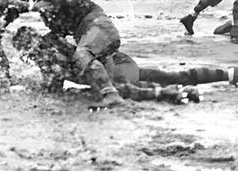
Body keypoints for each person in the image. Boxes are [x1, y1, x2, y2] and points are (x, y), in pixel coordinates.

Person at [13, 27, 238, 104]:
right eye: (25, 51)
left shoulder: (60, 46)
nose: (29, 54)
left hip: (114, 63)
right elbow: (54, 87)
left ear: (36, 41)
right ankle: (229, 74)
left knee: (124, 90)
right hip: (121, 63)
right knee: (172, 76)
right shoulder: (46, 59)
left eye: (28, 47)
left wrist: (107, 80)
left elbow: (97, 54)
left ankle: (173, 94)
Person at [24, 0, 124, 109]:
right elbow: (58, 32)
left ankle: (111, 95)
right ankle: (54, 85)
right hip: (92, 47)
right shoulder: (43, 1)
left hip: (99, 27)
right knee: (43, 46)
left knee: (82, 54)